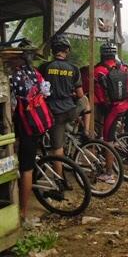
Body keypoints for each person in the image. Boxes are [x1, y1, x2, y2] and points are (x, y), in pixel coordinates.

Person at [9, 40, 51, 221]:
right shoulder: (35, 73)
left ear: (18, 58)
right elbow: (46, 92)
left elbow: (10, 108)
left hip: (24, 126)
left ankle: (22, 212)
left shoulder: (13, 78)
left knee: (25, 168)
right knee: (27, 163)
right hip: (39, 124)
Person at [39, 34, 83, 175]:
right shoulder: (74, 68)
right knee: (85, 101)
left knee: (57, 149)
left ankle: (59, 180)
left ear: (53, 51)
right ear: (67, 51)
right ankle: (83, 130)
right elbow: (81, 94)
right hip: (71, 111)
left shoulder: (44, 67)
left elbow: (39, 89)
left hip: (55, 113)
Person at [94, 42, 128, 183]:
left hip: (111, 109)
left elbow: (97, 93)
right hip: (124, 106)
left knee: (107, 140)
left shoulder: (99, 70)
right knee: (110, 133)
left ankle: (109, 173)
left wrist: (101, 102)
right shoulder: (122, 68)